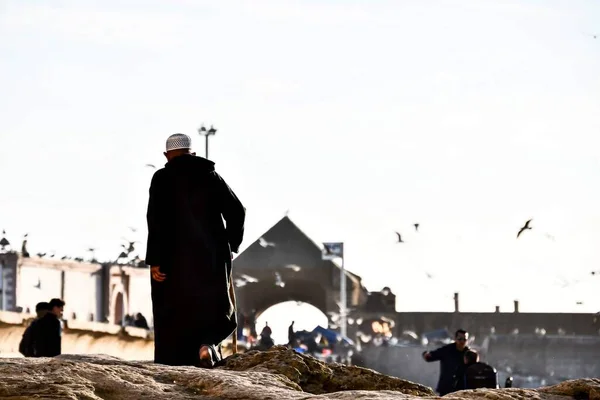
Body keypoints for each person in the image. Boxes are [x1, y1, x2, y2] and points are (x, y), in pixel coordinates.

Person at [146, 133, 246, 368]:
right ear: (192, 152)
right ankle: (207, 345)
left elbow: (155, 220)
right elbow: (237, 210)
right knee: (213, 303)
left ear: (166, 155)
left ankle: (174, 361)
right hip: (211, 255)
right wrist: (231, 244)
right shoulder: (209, 175)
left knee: (173, 306)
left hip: (173, 258)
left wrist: (155, 259)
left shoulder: (161, 178)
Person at [422, 329, 470, 395]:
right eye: (460, 339)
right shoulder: (447, 350)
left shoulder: (469, 353)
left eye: (464, 340)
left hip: (461, 390)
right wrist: (426, 354)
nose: (462, 341)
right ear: (455, 339)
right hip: (446, 388)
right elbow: (430, 356)